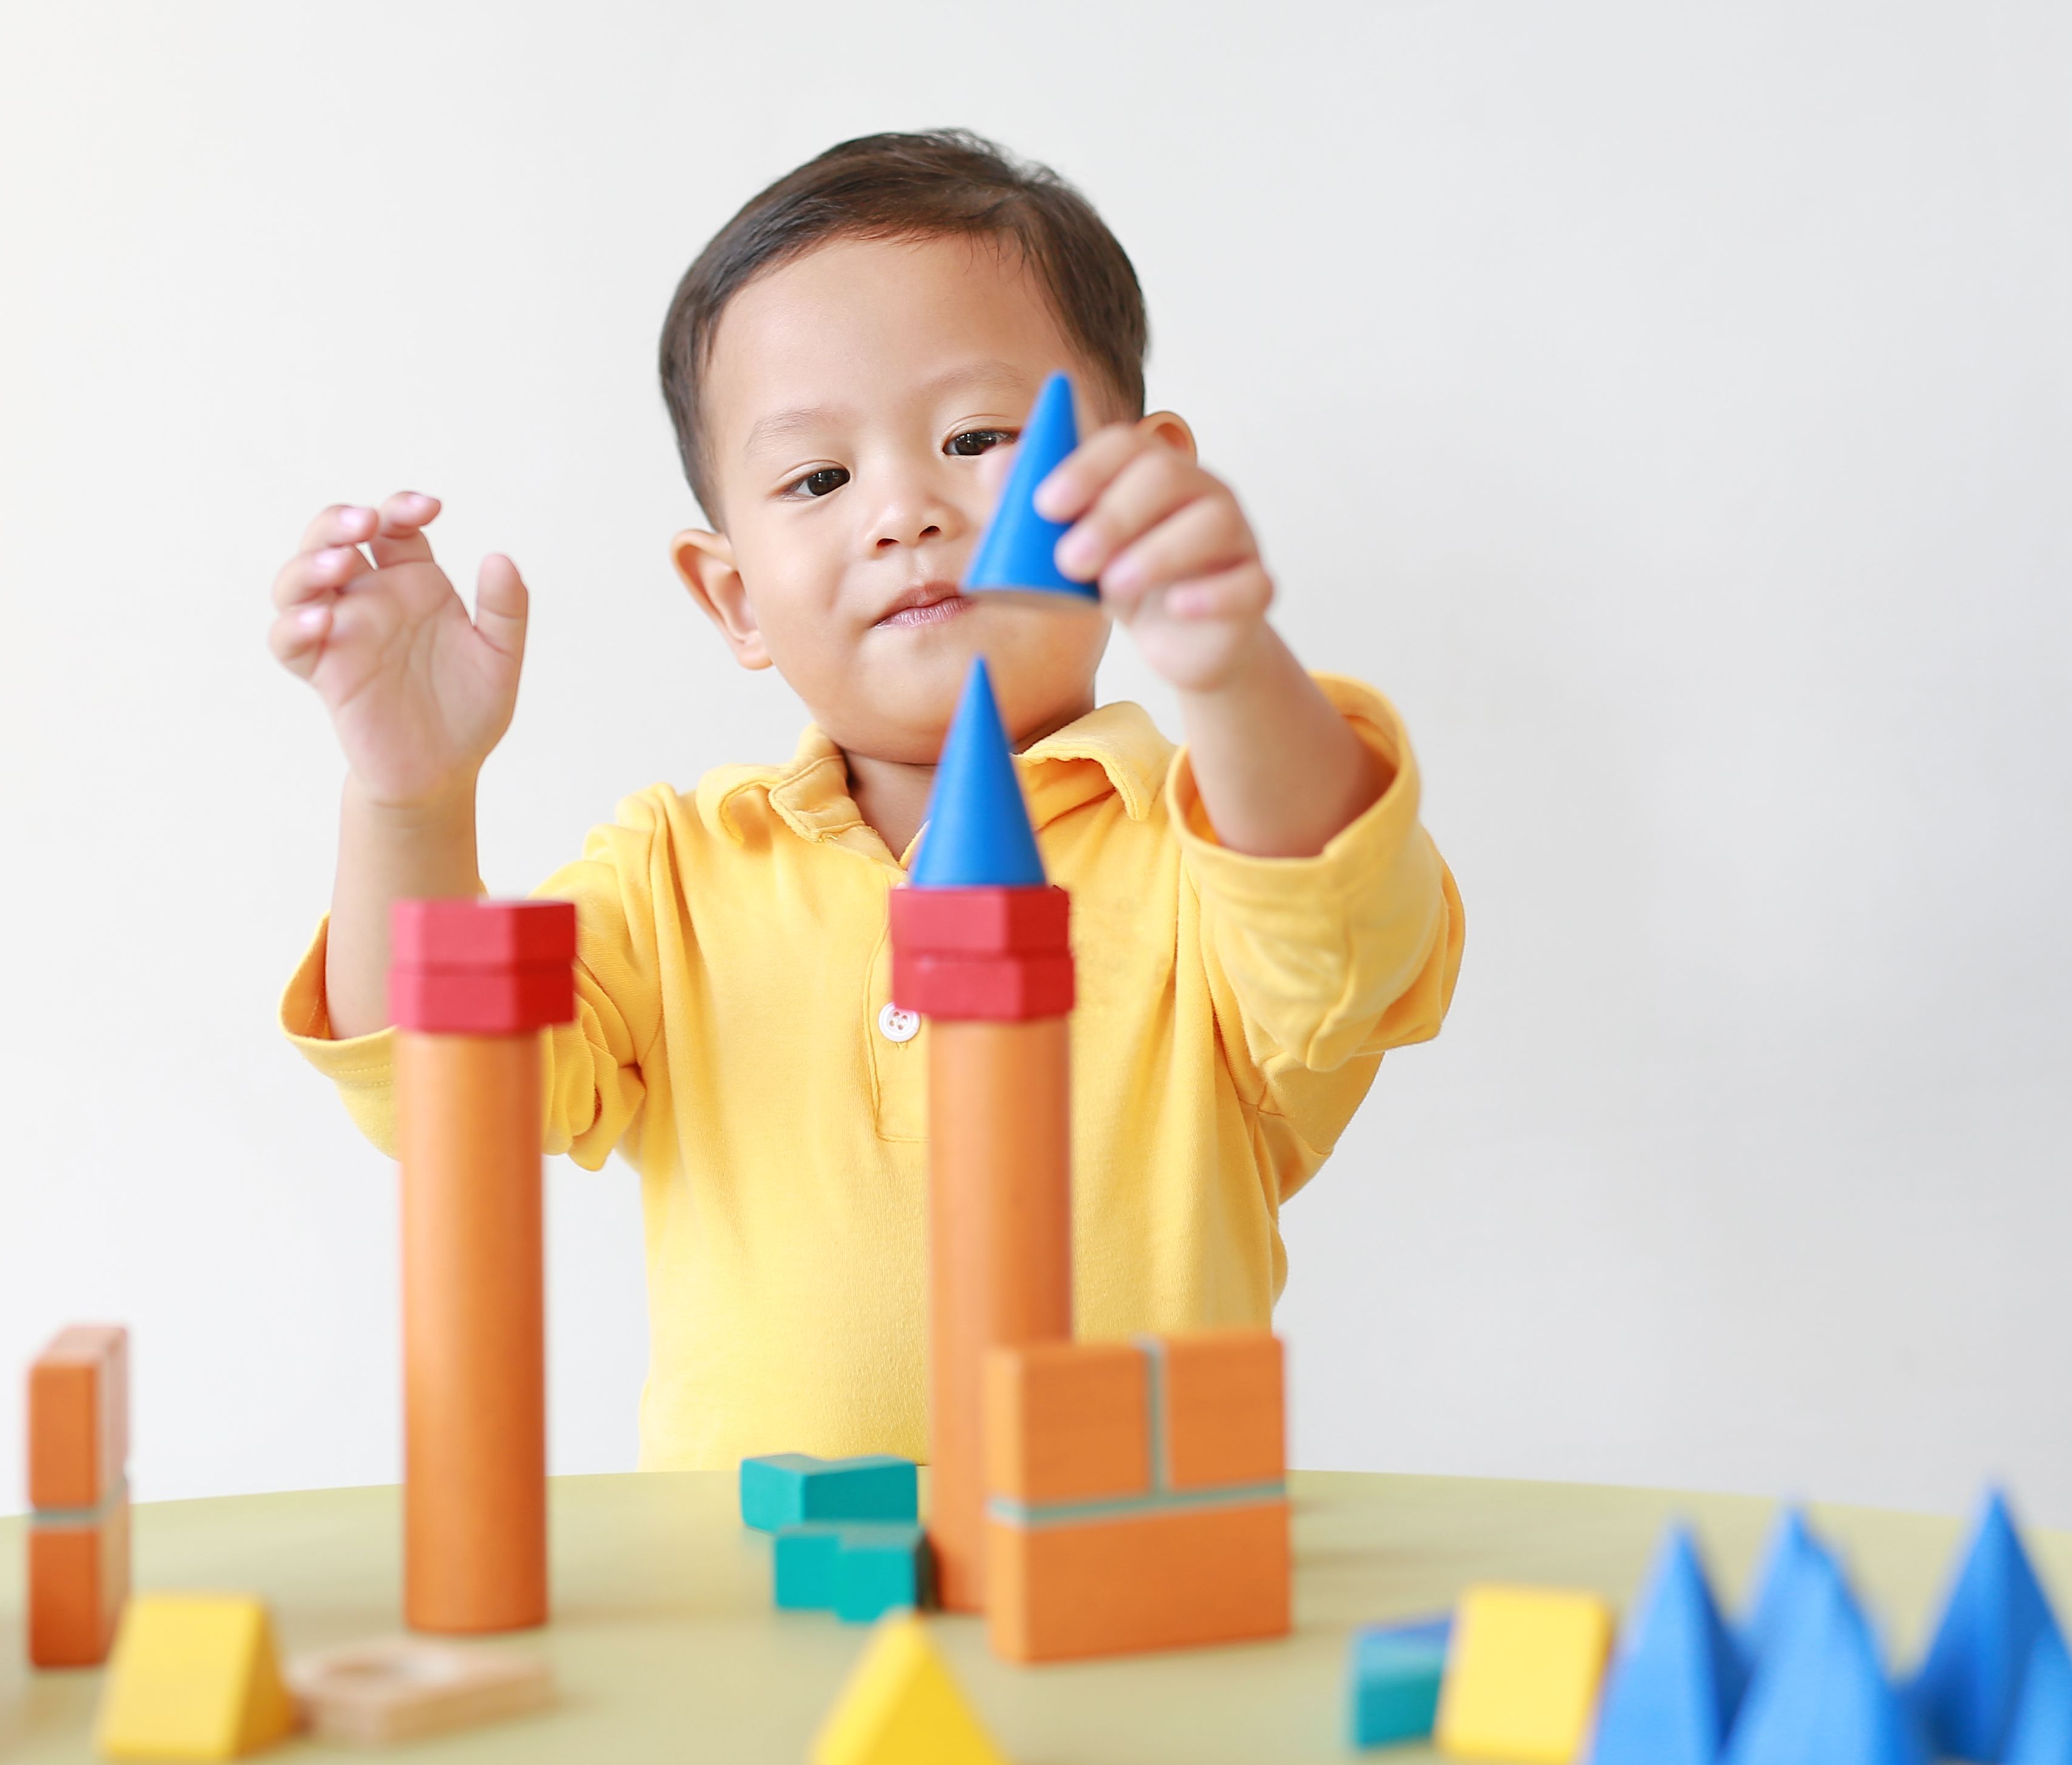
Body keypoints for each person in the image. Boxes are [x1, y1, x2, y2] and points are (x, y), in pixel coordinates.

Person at [266, 130, 1462, 1469]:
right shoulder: (676, 875)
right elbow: (438, 1093)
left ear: (1143, 477)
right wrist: (412, 800)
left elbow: (1351, 929)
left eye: (975, 437)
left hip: (1124, 1617)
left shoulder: (1203, 856)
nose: (902, 509)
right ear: (734, 597)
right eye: (820, 480)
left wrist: (1231, 662)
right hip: (757, 1633)